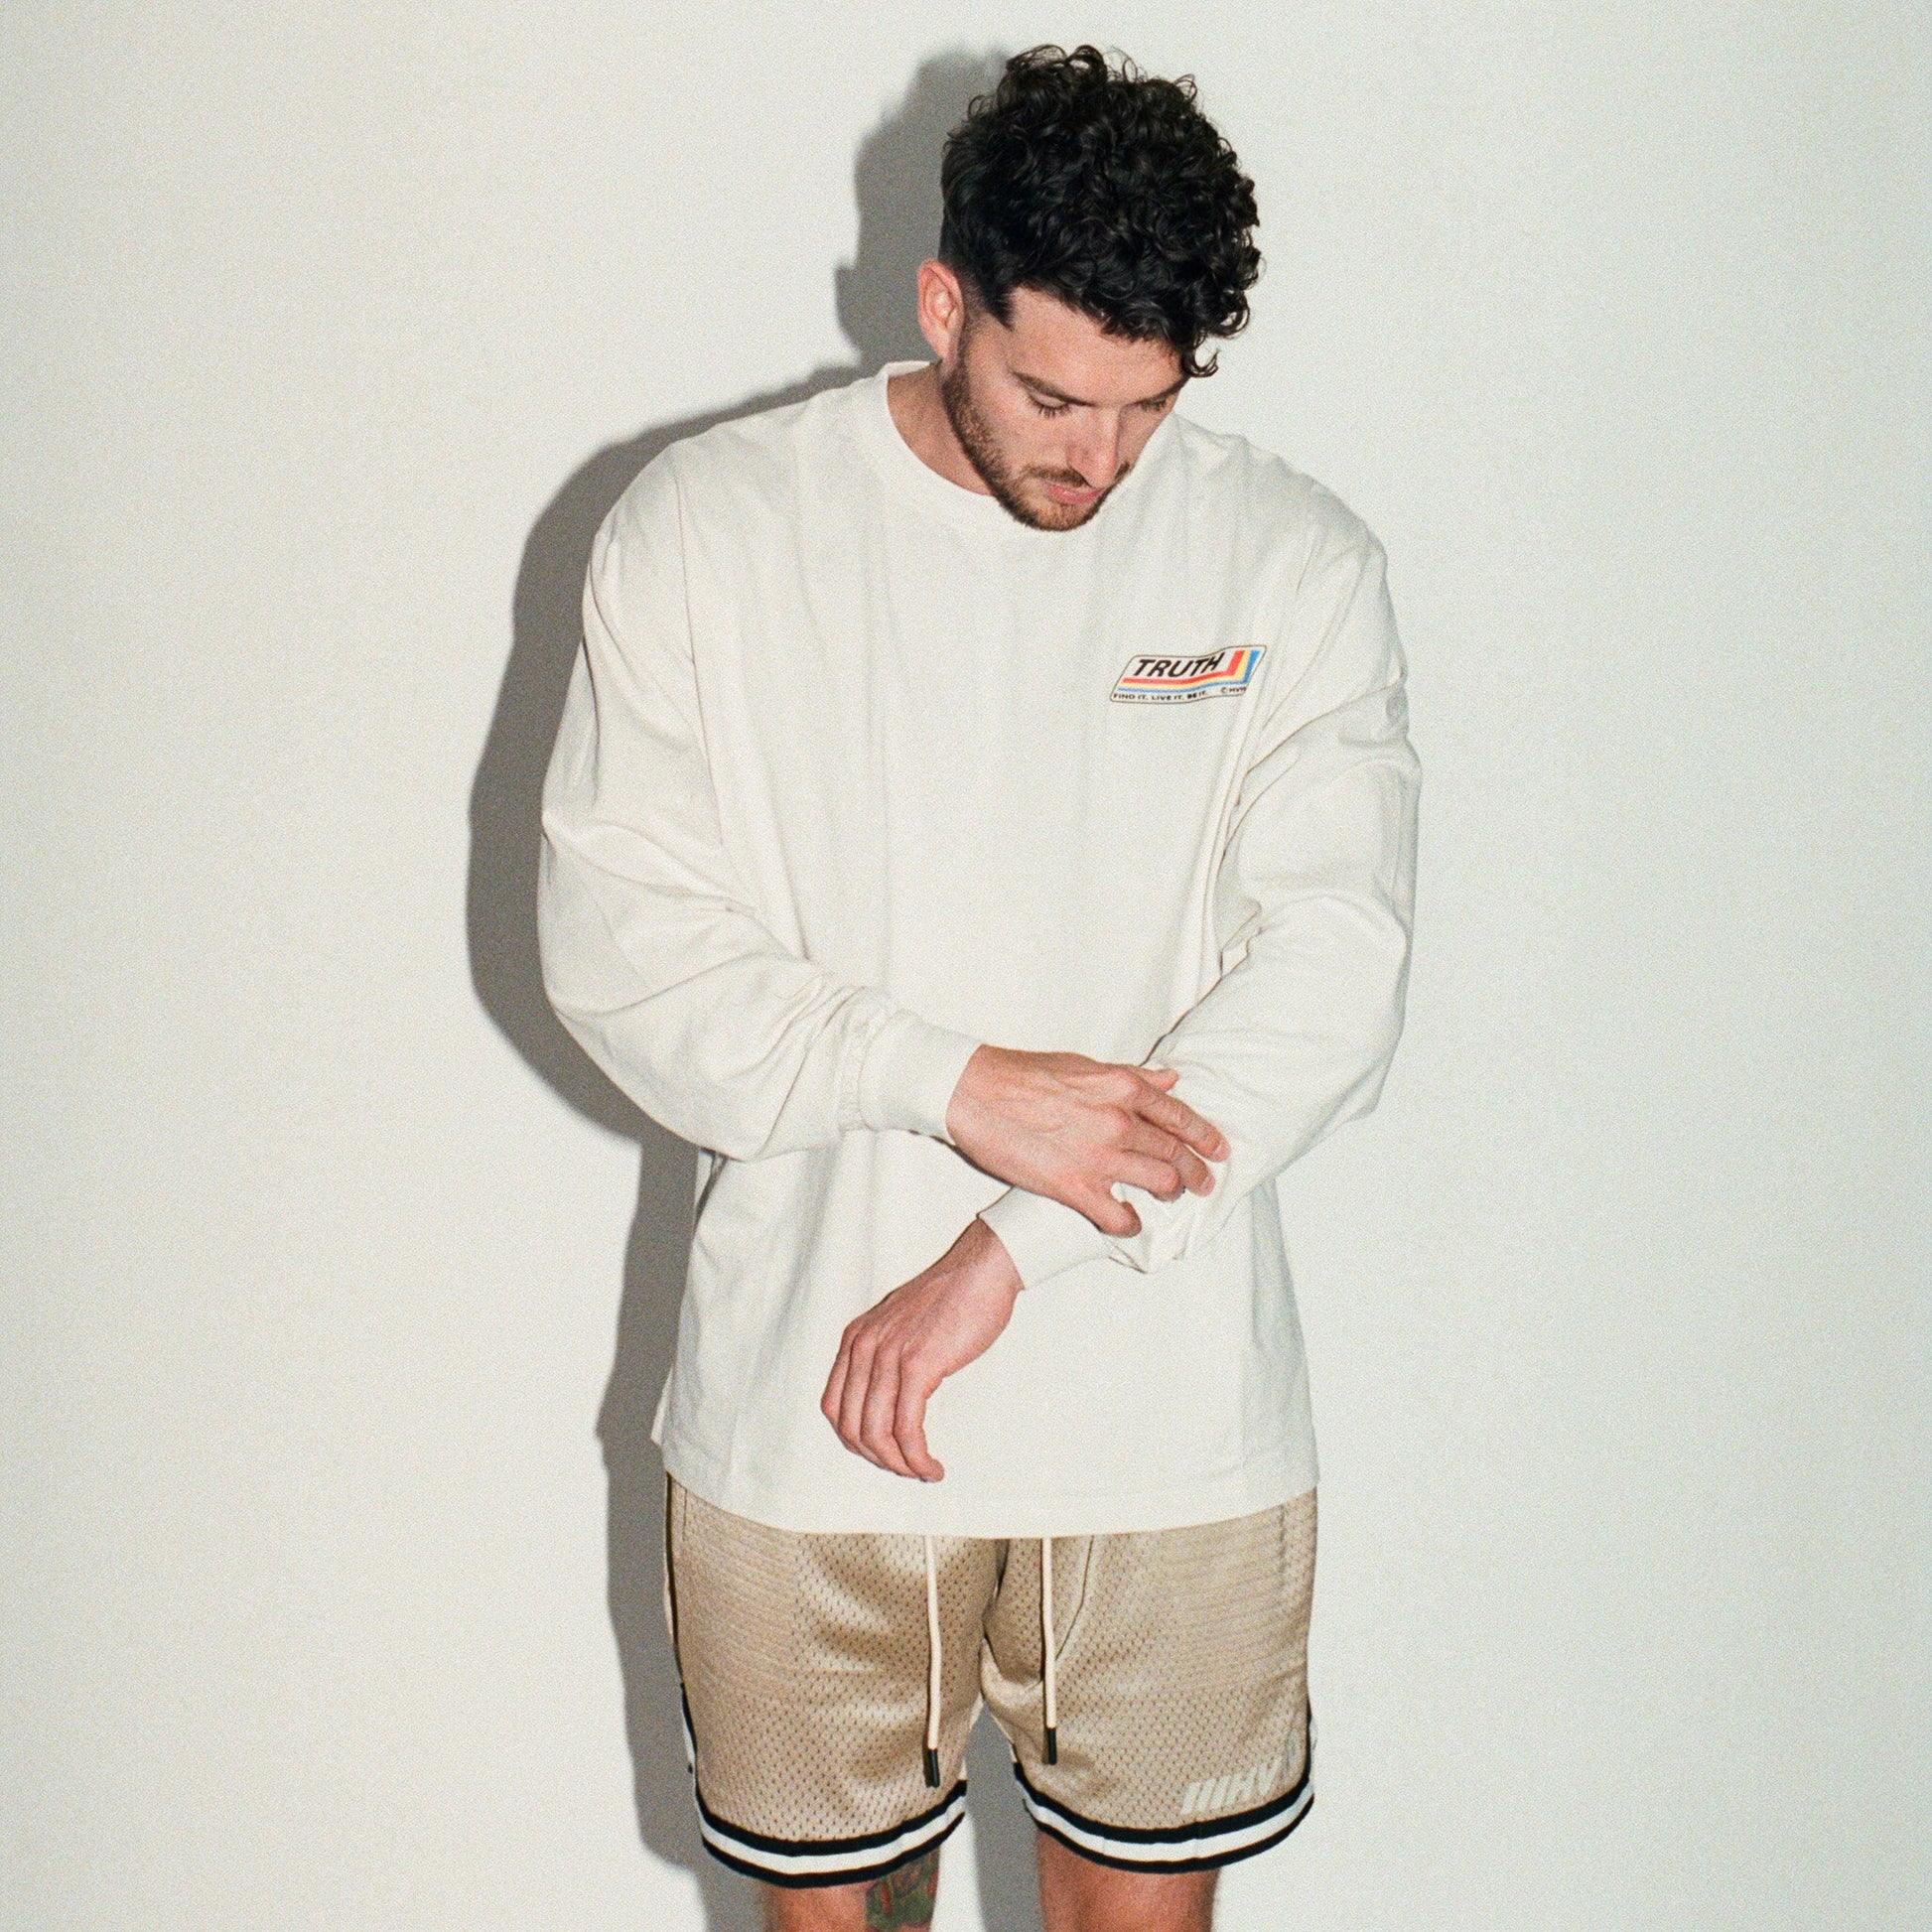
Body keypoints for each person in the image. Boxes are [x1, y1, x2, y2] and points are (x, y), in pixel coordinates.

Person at [538, 42, 1420, 1932]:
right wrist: (951, 1080)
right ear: (942, 304)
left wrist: (1004, 1245)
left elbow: (1329, 983)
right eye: (1050, 395)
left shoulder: (1293, 559)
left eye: (1147, 406)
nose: (1096, 457)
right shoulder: (708, 529)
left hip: (1166, 1421)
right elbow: (622, 947)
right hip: (808, 1413)